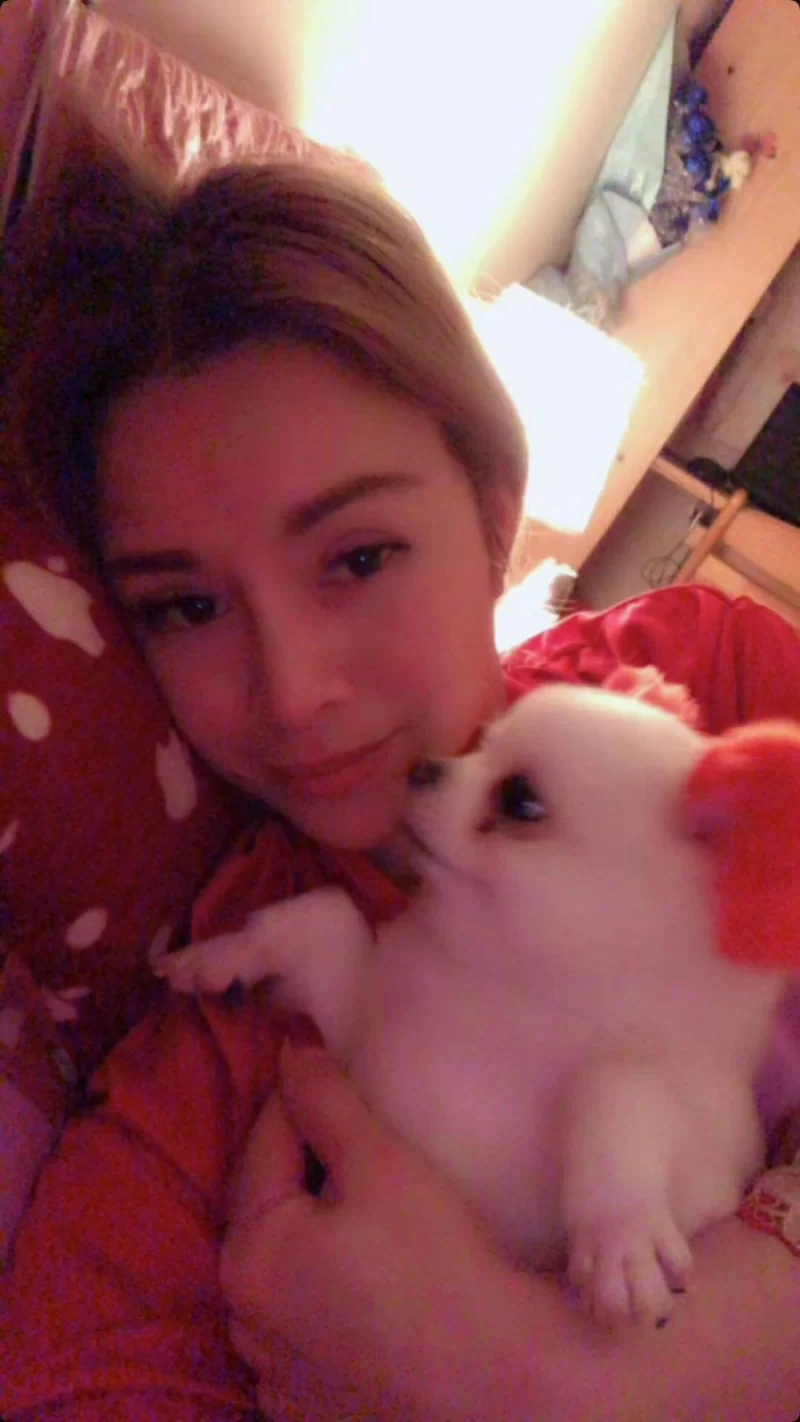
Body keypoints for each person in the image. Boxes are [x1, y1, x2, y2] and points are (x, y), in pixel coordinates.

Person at [1, 150, 800, 1422]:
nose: (292, 691)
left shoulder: (721, 686)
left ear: (491, 509)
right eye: (186, 607)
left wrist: (586, 1384)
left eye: (359, 555)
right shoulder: (214, 1054)